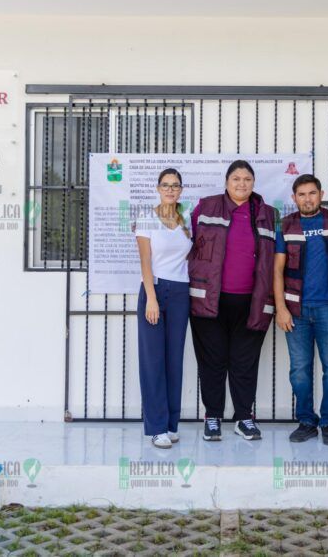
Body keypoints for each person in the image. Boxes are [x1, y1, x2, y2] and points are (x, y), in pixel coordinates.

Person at [188, 160, 279, 442]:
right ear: (226, 181)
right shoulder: (205, 207)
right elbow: (184, 242)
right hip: (209, 301)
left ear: (254, 182)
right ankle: (212, 417)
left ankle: (244, 418)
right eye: (236, 178)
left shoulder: (268, 214)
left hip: (252, 302)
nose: (242, 183)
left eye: (247, 179)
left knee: (244, 362)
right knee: (212, 361)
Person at [273, 174, 328, 446]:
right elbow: (277, 269)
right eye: (301, 194)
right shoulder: (286, 224)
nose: (307, 199)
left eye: (312, 193)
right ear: (294, 198)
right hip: (296, 310)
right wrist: (281, 308)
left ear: (321, 194)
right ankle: (306, 421)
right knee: (300, 371)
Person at [134, 168, 193, 449]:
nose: (171, 190)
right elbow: (145, 260)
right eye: (166, 185)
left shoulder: (186, 219)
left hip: (181, 291)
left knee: (174, 361)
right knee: (153, 361)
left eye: (175, 186)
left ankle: (171, 424)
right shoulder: (147, 218)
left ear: (181, 190)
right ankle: (156, 427)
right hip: (154, 290)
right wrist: (152, 298)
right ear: (158, 188)